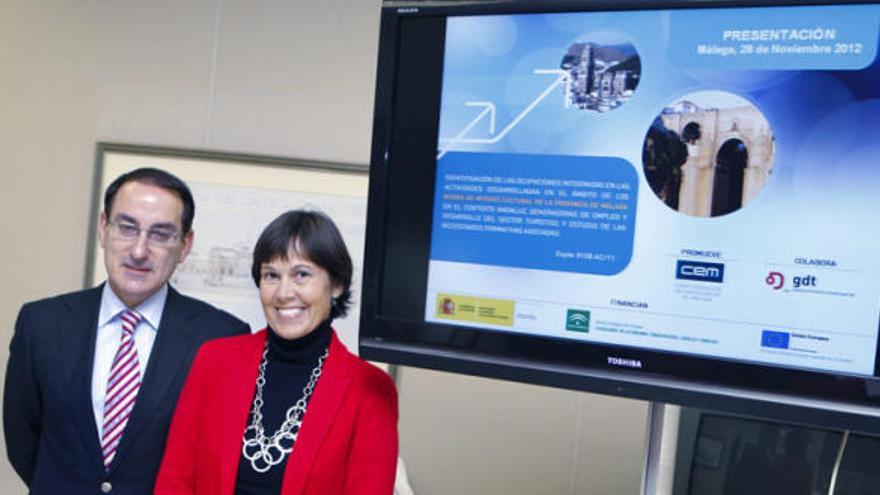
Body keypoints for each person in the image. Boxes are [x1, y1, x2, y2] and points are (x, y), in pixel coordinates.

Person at [3, 168, 250, 494]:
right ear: (104, 228)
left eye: (161, 234)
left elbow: (216, 458)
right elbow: (23, 439)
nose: (138, 250)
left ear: (185, 245)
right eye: (127, 227)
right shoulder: (42, 323)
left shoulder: (222, 337)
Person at [154, 210, 398, 495]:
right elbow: (175, 480)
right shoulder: (215, 360)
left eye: (301, 275)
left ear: (336, 285)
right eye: (271, 275)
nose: (283, 293)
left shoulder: (370, 390)